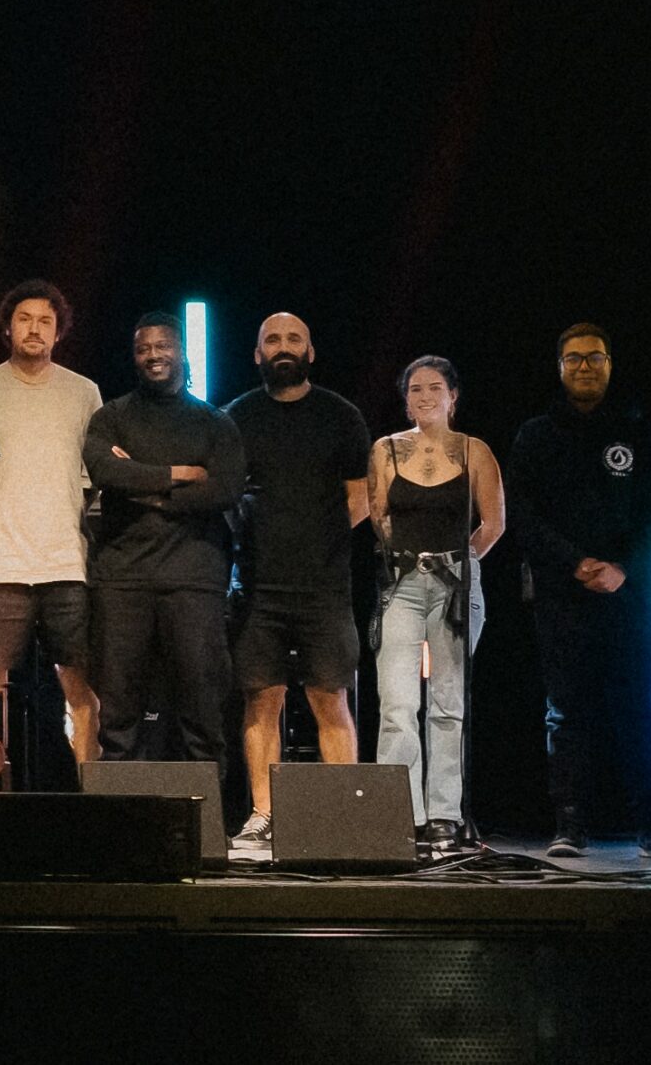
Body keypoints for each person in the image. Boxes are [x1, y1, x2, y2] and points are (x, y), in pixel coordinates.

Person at [507, 322, 651, 858]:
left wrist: (623, 567)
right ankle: (569, 826)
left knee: (639, 709)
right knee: (566, 712)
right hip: (562, 597)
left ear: (610, 365)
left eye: (595, 357)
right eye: (574, 359)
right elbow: (523, 513)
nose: (584, 366)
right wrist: (574, 562)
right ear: (559, 367)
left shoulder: (638, 431)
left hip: (630, 594)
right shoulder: (536, 435)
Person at [225, 312, 372, 850]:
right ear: (257, 354)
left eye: (293, 339)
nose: (282, 347)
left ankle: (342, 818)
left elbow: (360, 499)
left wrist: (315, 539)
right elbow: (223, 496)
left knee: (329, 699)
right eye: (272, 340)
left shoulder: (341, 416)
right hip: (257, 588)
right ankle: (264, 815)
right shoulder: (236, 417)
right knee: (262, 699)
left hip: (325, 589)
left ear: (310, 352)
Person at [83, 312, 244, 770]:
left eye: (162, 346)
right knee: (118, 709)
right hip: (122, 577)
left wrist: (146, 490)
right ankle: (122, 806)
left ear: (182, 352)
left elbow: (226, 489)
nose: (153, 355)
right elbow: (106, 471)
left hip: (195, 578)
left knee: (203, 704)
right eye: (143, 348)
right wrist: (181, 474)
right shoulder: (111, 417)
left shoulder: (215, 422)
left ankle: (207, 806)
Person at [0, 280, 104, 772]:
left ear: (59, 331)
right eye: (24, 319)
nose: (35, 329)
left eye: (45, 321)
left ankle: (89, 790)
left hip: (67, 562)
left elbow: (94, 479)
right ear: (7, 327)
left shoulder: (84, 392)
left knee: (81, 684)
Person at [371, 356, 505, 853]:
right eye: (415, 390)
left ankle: (445, 814)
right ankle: (400, 811)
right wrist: (409, 560)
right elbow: (380, 516)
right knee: (398, 702)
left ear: (453, 396)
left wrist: (459, 562)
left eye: (434, 388)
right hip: (403, 583)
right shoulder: (386, 449)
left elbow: (494, 522)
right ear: (405, 400)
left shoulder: (474, 450)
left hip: (454, 583)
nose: (425, 397)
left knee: (448, 703)